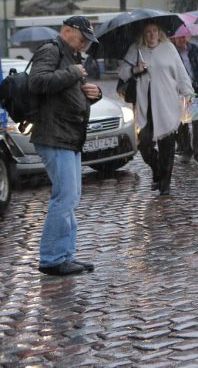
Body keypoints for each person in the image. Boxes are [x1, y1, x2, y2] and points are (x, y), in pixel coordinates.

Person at [29, 16, 102, 276]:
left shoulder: (71, 56)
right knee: (65, 197)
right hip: (54, 135)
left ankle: (65, 255)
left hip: (69, 136)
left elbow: (67, 94)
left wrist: (93, 94)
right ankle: (52, 258)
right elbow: (37, 82)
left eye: (87, 40)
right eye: (81, 38)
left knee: (71, 197)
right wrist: (73, 73)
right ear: (66, 31)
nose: (84, 44)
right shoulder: (51, 50)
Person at [119, 23, 194, 195]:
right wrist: (135, 69)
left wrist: (188, 94)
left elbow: (180, 72)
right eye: (147, 32)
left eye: (154, 31)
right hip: (146, 105)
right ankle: (158, 170)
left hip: (167, 102)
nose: (152, 35)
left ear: (160, 32)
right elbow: (122, 73)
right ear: (142, 35)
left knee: (167, 146)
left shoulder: (169, 48)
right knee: (144, 145)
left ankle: (165, 184)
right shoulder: (136, 49)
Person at [171, 30, 198, 162]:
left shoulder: (195, 50)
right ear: (174, 38)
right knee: (183, 123)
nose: (182, 40)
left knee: (197, 120)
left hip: (195, 90)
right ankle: (185, 150)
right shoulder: (172, 53)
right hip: (180, 92)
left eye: (183, 36)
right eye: (179, 37)